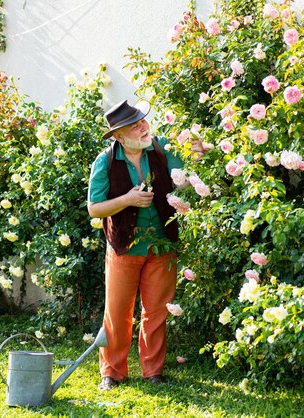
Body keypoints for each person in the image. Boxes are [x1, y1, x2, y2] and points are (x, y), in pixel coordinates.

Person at [87, 100, 203, 391]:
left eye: (142, 121)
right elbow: (94, 208)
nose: (143, 127)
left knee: (156, 310)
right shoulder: (105, 161)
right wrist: (127, 199)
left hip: (162, 244)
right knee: (117, 311)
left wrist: (198, 152)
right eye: (134, 125)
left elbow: (187, 178)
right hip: (124, 246)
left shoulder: (162, 149)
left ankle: (153, 371)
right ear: (118, 136)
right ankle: (112, 373)